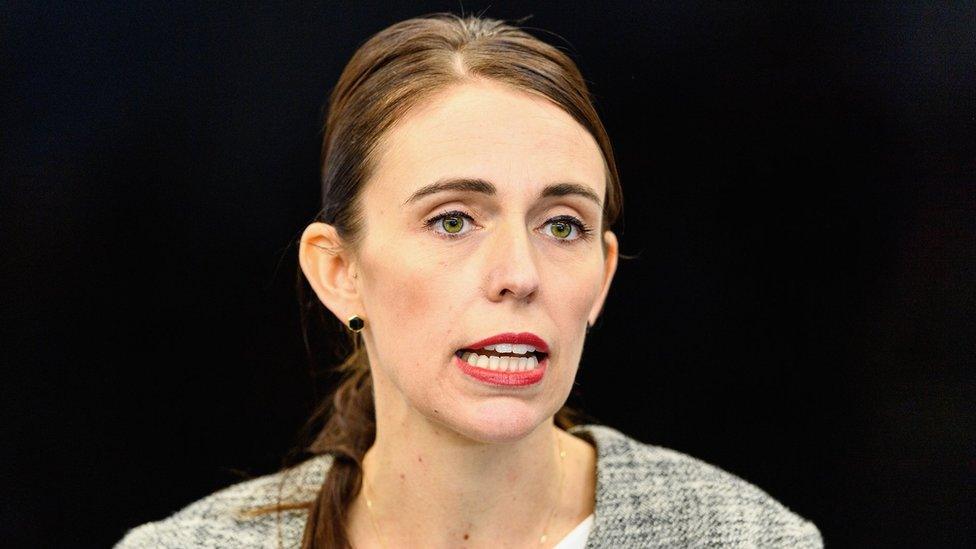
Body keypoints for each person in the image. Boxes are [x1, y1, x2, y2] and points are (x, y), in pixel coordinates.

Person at [116, 12, 822, 548]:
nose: (519, 274)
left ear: (603, 277)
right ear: (339, 272)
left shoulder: (754, 539)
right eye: (453, 220)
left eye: (562, 224)